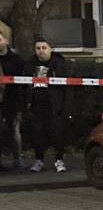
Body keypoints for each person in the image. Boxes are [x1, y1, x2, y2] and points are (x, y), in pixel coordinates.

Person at [25, 38, 70, 173]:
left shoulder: (59, 63)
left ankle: (59, 160)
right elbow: (24, 83)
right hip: (36, 105)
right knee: (37, 134)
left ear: (50, 49)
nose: (41, 51)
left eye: (44, 48)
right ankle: (39, 160)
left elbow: (65, 86)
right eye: (38, 48)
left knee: (57, 133)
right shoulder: (30, 63)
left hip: (54, 106)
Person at [0, 24, 27, 171]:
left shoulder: (16, 60)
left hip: (13, 100)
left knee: (14, 130)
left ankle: (18, 159)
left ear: (6, 41)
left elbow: (22, 81)